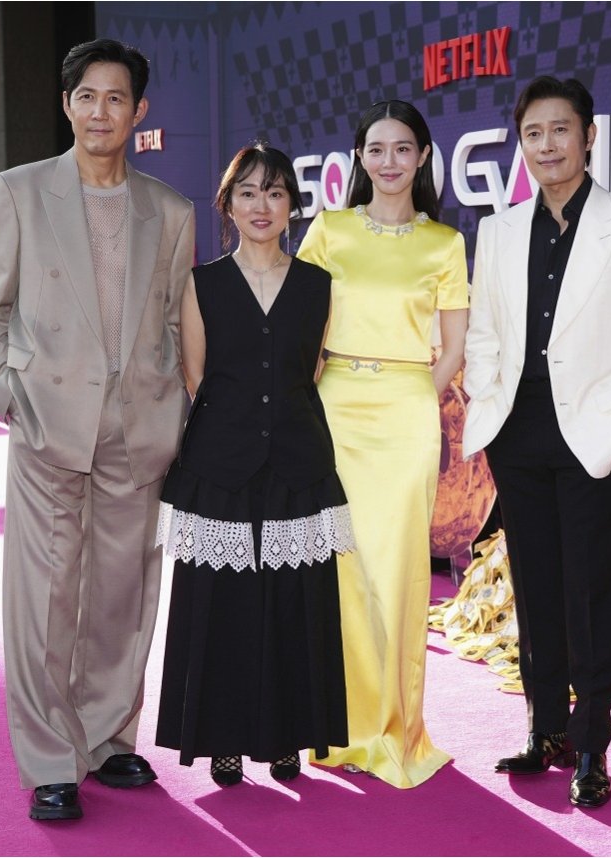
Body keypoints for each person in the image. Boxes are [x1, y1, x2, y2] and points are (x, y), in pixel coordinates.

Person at [0, 39, 195, 821]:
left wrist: (171, 408)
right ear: (67, 105)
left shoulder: (170, 211)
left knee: (122, 596)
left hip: (139, 429)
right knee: (44, 597)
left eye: (116, 98)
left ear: (139, 110)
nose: (101, 111)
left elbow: (174, 323)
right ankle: (49, 759)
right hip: (47, 423)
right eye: (87, 96)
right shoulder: (19, 191)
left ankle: (106, 738)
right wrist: (9, 395)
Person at [461, 75, 611, 809]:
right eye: (533, 133)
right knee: (536, 589)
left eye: (560, 130)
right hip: (517, 434)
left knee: (589, 593)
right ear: (520, 143)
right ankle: (545, 730)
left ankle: (591, 745)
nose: (547, 145)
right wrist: (487, 399)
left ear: (588, 137)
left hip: (594, 436)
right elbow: (485, 332)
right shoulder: (497, 231)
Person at [154, 144, 354, 786]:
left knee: (297, 604)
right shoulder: (203, 284)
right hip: (221, 465)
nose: (260, 205)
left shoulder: (318, 285)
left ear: (292, 203)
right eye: (247, 192)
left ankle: (290, 735)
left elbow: (312, 370)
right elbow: (196, 376)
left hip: (299, 461)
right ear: (228, 205)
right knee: (222, 607)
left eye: (273, 192)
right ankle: (224, 739)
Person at [296, 100, 468, 788]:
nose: (389, 161)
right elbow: (299, 325)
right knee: (338, 569)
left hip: (405, 416)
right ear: (359, 159)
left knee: (396, 572)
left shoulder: (443, 244)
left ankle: (394, 730)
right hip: (334, 408)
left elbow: (453, 348)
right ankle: (337, 727)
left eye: (402, 148)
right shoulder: (330, 230)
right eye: (376, 148)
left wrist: (415, 397)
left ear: (422, 157)